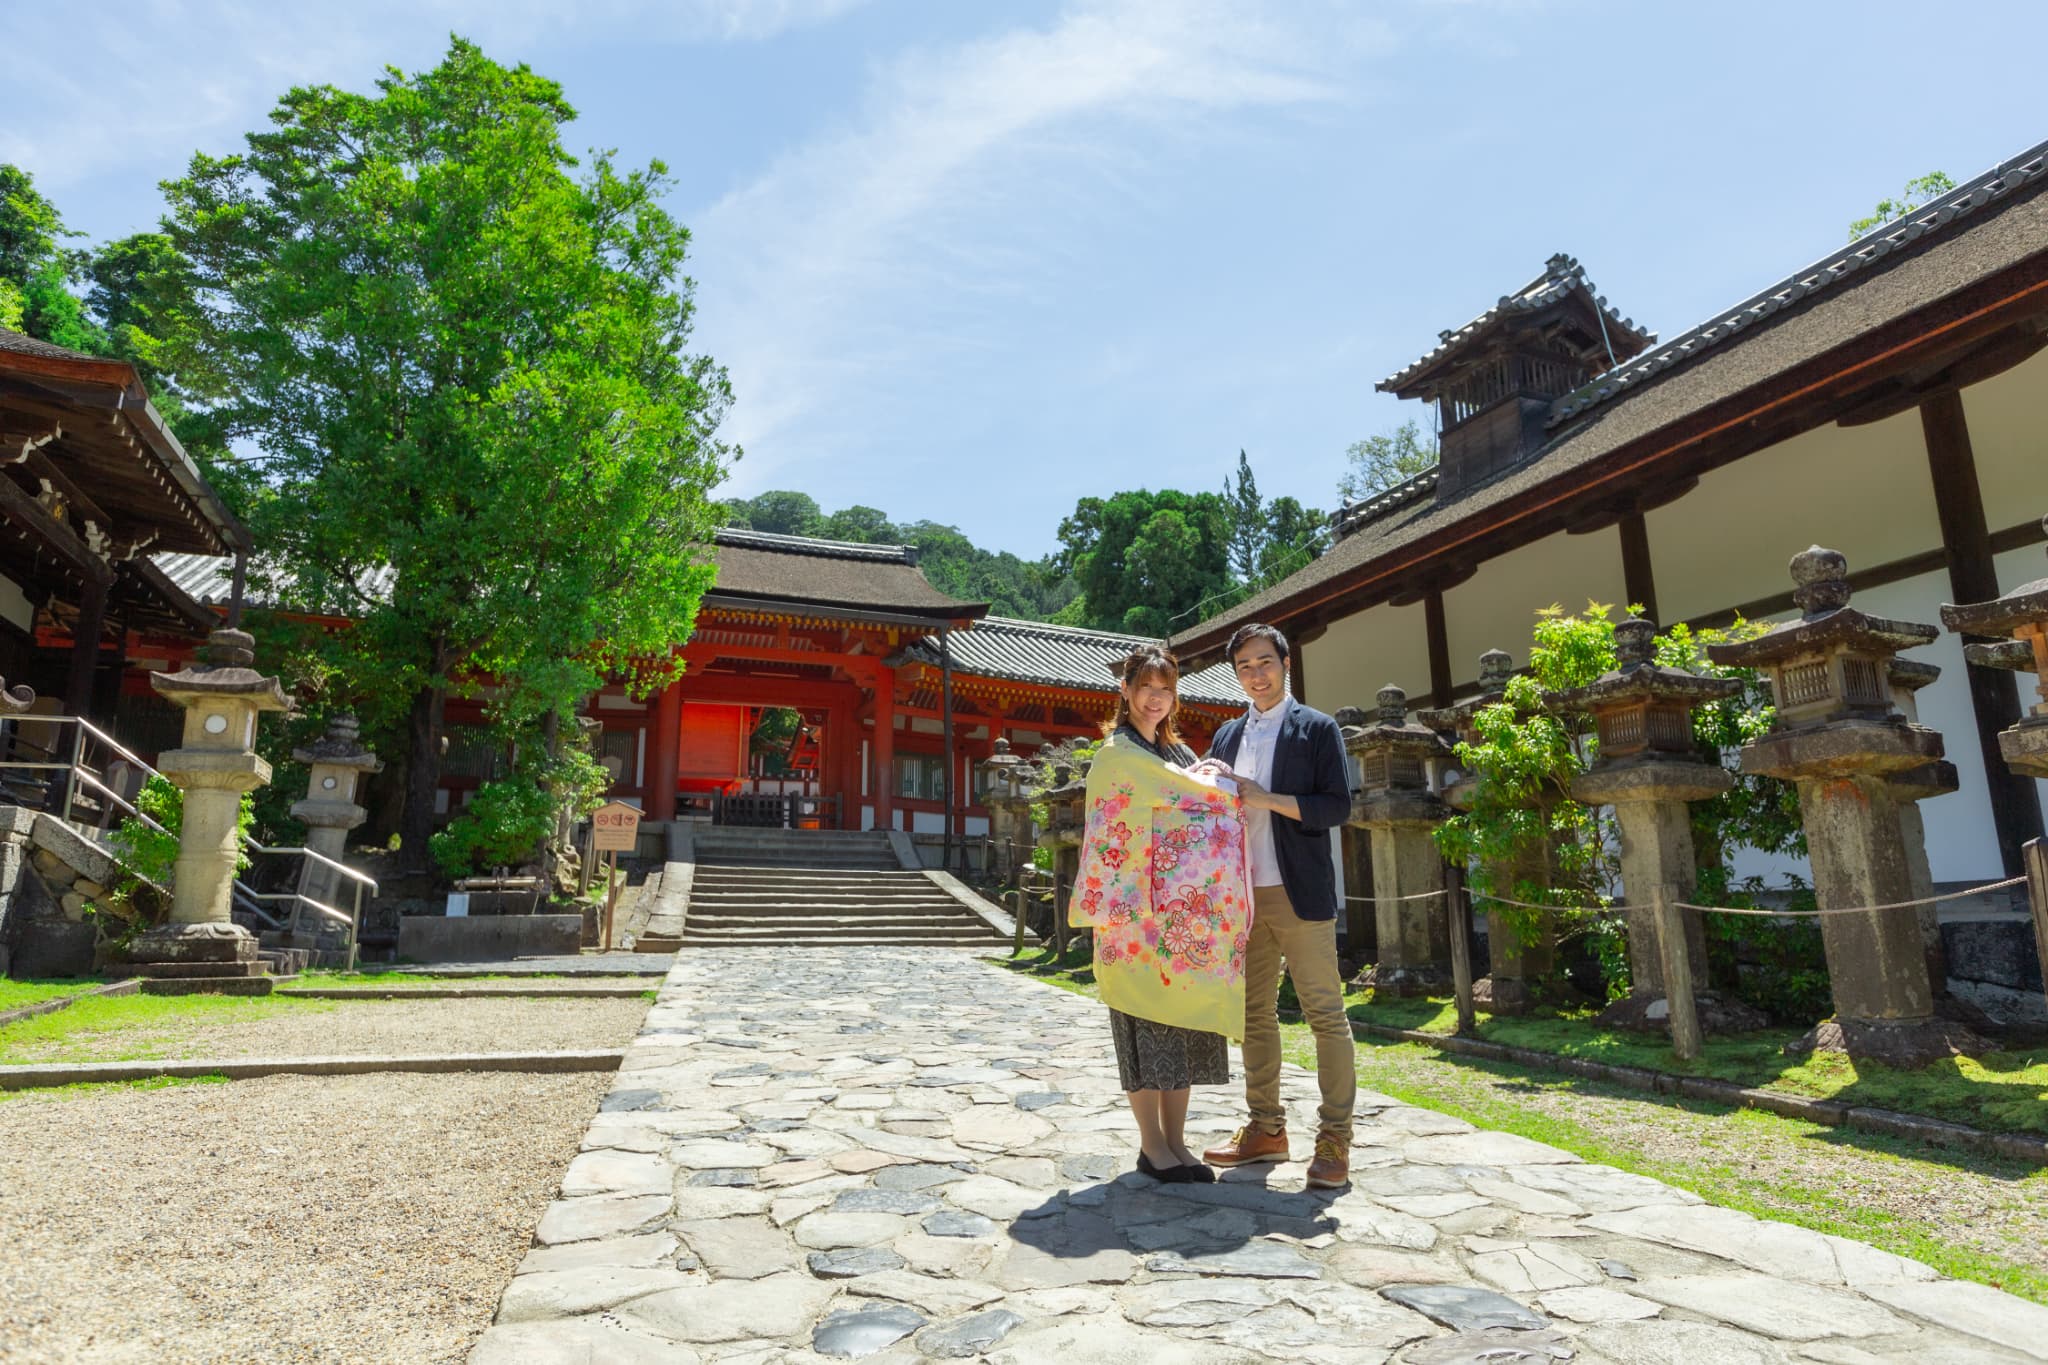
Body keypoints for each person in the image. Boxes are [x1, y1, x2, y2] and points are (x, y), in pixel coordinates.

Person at [1075, 645, 1244, 1184]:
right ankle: (1152, 1145)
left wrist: (1217, 781)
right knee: (1145, 1031)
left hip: (1181, 923)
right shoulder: (1117, 755)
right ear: (1125, 691)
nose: (1156, 699)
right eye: (1146, 687)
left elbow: (1201, 807)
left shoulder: (1178, 757)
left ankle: (1177, 1141)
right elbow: (1116, 826)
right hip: (1133, 921)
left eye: (1166, 689)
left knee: (1183, 1028)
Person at [1198, 622, 1357, 1189]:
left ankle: (1335, 1138)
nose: (1256, 674)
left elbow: (1336, 806)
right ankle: (1266, 1127)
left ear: (1285, 663)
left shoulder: (1317, 728)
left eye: (1265, 662)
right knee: (1251, 1014)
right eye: (1244, 667)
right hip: (1240, 894)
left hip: (1298, 890)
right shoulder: (1225, 737)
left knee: (1324, 1015)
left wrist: (1265, 798)